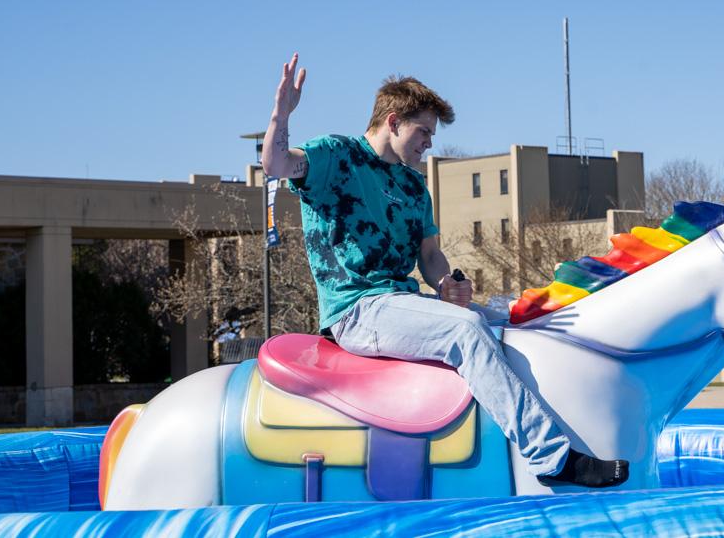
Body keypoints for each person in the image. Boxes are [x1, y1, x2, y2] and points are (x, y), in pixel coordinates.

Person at [262, 53, 629, 488]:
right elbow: (276, 164)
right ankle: (550, 457)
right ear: (393, 121)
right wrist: (280, 115)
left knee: (513, 312)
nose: (429, 144)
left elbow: (430, 255)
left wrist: (445, 283)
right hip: (357, 311)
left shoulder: (414, 184)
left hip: (403, 302)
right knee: (465, 330)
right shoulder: (337, 156)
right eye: (424, 132)